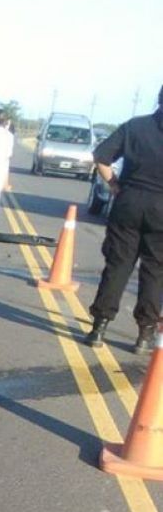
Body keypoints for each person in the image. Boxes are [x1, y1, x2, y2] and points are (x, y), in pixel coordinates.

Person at [84, 84, 163, 354]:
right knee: (155, 271)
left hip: (129, 201)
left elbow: (101, 157)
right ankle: (144, 333)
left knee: (118, 265)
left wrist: (115, 186)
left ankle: (99, 326)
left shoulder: (135, 127)